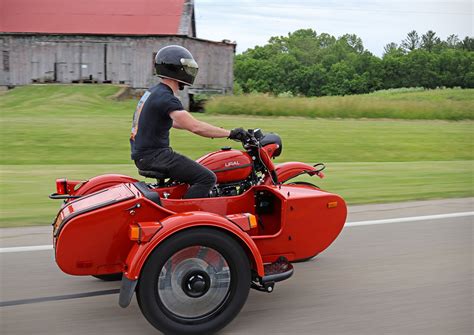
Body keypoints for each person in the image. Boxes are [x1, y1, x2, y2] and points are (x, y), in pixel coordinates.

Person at [130, 45, 249, 199]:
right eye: (186, 67)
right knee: (207, 178)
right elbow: (195, 127)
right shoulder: (167, 98)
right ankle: (186, 216)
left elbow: (176, 122)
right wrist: (232, 133)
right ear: (176, 69)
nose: (189, 72)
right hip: (156, 157)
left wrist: (216, 130)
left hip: (145, 156)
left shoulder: (153, 92)